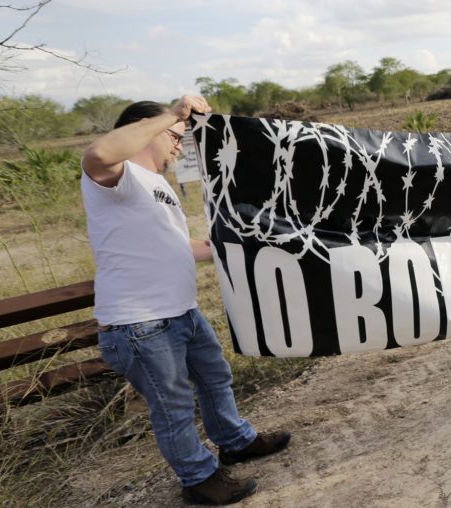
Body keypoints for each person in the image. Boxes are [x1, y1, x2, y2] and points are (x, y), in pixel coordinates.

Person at [81, 96, 291, 505]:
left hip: (180, 313)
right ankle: (198, 478)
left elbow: (181, 247)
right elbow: (99, 151)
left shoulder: (156, 184)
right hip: (139, 323)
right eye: (176, 136)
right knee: (173, 407)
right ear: (147, 126)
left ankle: (235, 440)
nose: (180, 145)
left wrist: (240, 244)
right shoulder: (113, 174)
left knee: (216, 379)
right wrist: (172, 113)